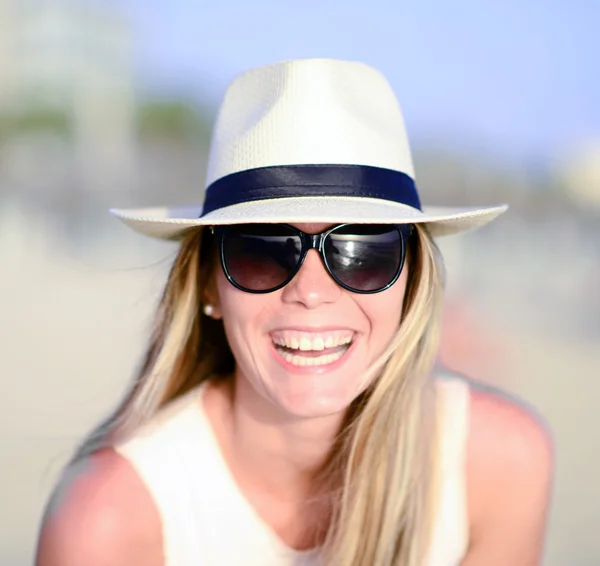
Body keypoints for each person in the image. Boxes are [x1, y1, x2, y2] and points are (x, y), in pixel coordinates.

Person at [35, 58, 554, 566]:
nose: (311, 291)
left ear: (412, 281)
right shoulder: (108, 523)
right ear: (207, 287)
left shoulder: (499, 464)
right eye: (261, 250)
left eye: (362, 250)